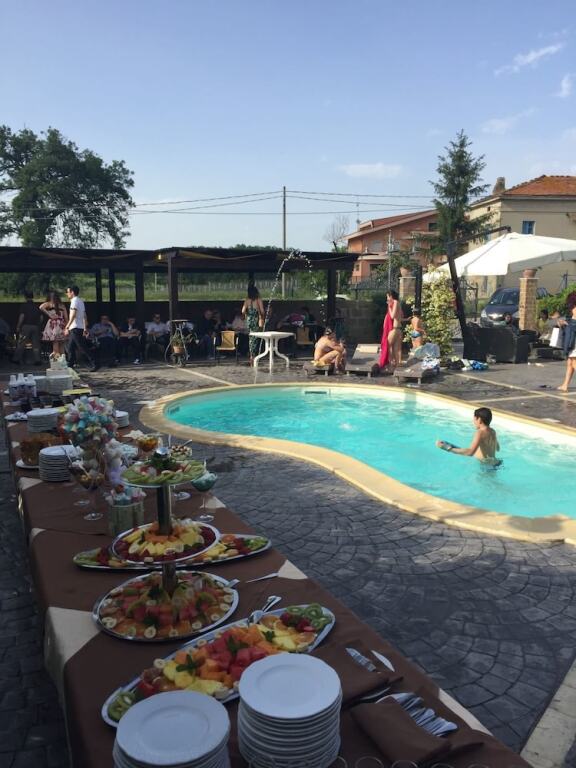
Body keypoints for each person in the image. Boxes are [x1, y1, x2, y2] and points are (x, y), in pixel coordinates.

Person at [436, 407, 501, 466]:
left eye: (474, 419)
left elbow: (470, 452)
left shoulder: (480, 433)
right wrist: (452, 445)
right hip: (496, 463)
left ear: (479, 420)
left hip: (486, 467)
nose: (474, 422)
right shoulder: (492, 431)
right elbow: (497, 448)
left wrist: (447, 448)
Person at [64, 285, 98, 371]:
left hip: (75, 327)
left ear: (72, 292)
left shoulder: (74, 301)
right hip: (78, 327)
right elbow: (84, 315)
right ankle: (70, 364)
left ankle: (95, 362)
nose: (67, 294)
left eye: (68, 292)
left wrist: (67, 326)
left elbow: (73, 315)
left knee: (82, 347)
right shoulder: (80, 301)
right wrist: (85, 327)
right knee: (70, 347)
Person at [14, 291, 42, 365]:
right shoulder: (36, 306)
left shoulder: (24, 306)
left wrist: (18, 326)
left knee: (21, 343)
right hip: (35, 326)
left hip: (26, 326)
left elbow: (22, 316)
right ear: (32, 296)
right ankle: (37, 360)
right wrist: (39, 325)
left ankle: (16, 359)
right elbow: (41, 318)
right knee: (36, 344)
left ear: (25, 297)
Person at [379, 289, 403, 370]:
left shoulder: (395, 302)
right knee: (396, 349)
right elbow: (401, 316)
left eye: (388, 297)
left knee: (387, 346)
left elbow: (392, 316)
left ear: (391, 296)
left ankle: (390, 365)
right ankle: (397, 367)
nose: (387, 299)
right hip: (399, 329)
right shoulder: (398, 303)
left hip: (395, 329)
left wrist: (389, 306)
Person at [39, 291, 68, 357]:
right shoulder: (62, 305)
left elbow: (41, 307)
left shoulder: (50, 303)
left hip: (54, 324)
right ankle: (62, 360)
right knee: (61, 344)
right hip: (61, 324)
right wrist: (66, 327)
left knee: (55, 343)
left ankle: (56, 360)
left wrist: (49, 314)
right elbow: (66, 317)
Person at [242, 284, 265, 363]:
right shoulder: (258, 299)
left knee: (251, 337)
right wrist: (261, 315)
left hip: (249, 320)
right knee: (255, 337)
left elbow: (242, 311)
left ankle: (252, 354)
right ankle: (253, 355)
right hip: (255, 319)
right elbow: (262, 311)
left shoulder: (247, 300)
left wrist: (247, 313)